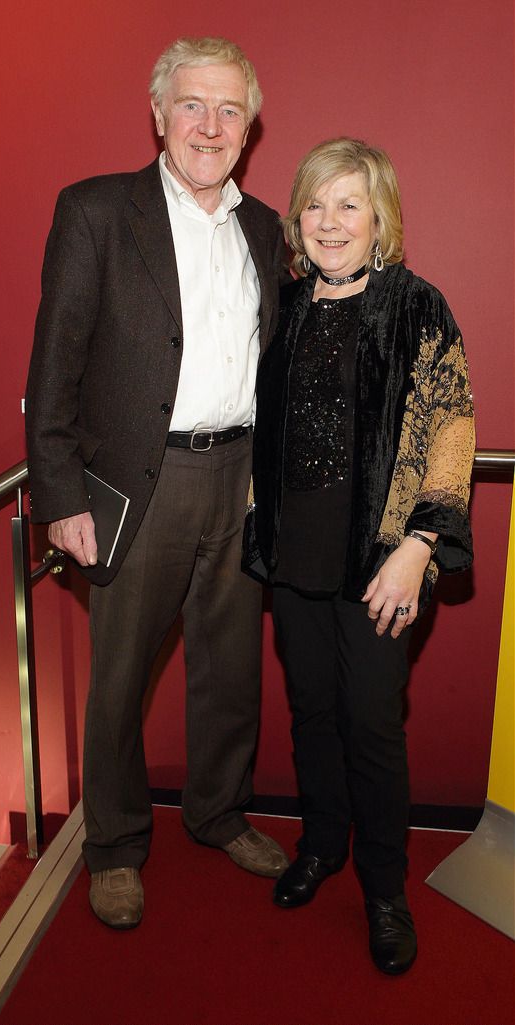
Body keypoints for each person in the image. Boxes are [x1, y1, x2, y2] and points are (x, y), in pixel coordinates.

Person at [25, 36, 289, 930]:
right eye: (192, 105)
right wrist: (60, 498)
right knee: (120, 678)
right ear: (159, 115)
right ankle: (115, 845)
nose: (209, 125)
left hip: (241, 477)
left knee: (231, 668)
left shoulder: (263, 228)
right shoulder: (97, 211)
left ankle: (218, 814)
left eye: (228, 110)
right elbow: (53, 368)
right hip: (141, 484)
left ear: (249, 127)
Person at [243, 137, 475, 974]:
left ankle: (385, 888)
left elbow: (452, 426)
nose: (330, 221)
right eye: (315, 204)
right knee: (310, 712)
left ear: (381, 218)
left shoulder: (417, 306)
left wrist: (420, 546)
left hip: (381, 560)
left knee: (373, 726)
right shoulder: (287, 304)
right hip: (293, 556)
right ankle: (321, 844)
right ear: (298, 220)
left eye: (350, 203)